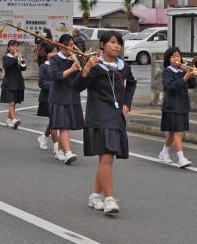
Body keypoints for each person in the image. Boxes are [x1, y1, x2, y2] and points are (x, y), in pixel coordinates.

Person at [73, 31, 136, 214]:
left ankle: (95, 195)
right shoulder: (94, 64)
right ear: (103, 44)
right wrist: (86, 69)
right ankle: (109, 199)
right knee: (107, 156)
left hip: (116, 115)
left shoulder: (123, 67)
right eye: (113, 42)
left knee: (105, 159)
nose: (117, 46)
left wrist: (126, 103)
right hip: (99, 115)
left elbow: (131, 83)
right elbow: (77, 87)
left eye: (119, 43)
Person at [48, 34, 86, 164]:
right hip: (59, 96)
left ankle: (59, 151)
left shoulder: (73, 59)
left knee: (66, 125)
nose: (70, 48)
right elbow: (56, 76)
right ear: (61, 45)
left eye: (72, 45)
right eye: (68, 45)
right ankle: (68, 152)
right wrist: (71, 69)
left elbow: (81, 77)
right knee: (64, 126)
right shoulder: (55, 60)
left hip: (71, 96)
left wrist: (84, 61)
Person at [158, 47, 197, 168]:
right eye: (173, 56)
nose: (176, 58)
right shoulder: (167, 71)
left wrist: (189, 73)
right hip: (172, 105)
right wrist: (184, 78)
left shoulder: (181, 71)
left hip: (182, 105)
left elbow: (192, 85)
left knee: (172, 133)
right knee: (178, 132)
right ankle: (181, 158)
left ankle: (164, 153)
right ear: (168, 59)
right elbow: (170, 86)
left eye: (178, 56)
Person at [37, 49, 61, 158]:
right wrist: (55, 85)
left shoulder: (59, 65)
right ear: (47, 54)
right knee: (53, 121)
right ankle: (57, 147)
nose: (54, 53)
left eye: (56, 51)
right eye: (51, 51)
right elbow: (41, 83)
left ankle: (44, 137)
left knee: (54, 120)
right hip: (47, 97)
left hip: (59, 97)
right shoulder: (43, 66)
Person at [0, 39, 26, 129]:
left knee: (14, 103)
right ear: (8, 47)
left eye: (16, 46)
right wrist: (15, 58)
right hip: (9, 82)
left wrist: (21, 59)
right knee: (11, 102)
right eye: (12, 46)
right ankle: (14, 119)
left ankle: (8, 120)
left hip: (18, 82)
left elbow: (23, 68)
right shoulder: (6, 57)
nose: (15, 48)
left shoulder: (19, 56)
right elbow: (7, 66)